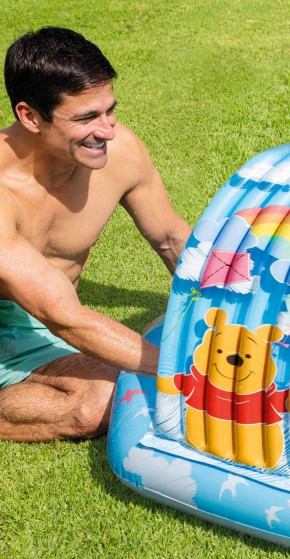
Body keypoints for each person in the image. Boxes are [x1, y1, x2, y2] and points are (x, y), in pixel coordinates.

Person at [0, 27, 191, 442]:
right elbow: (64, 317)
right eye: (86, 118)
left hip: (39, 321)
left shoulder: (119, 153)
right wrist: (185, 373)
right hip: (34, 320)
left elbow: (172, 239)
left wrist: (241, 317)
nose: (107, 130)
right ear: (30, 116)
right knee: (99, 404)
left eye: (109, 111)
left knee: (120, 384)